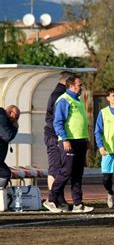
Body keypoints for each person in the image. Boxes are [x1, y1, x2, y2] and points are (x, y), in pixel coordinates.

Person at [44, 74, 94, 213]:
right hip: (69, 141)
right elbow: (58, 122)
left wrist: (86, 139)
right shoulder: (63, 100)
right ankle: (51, 199)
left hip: (80, 141)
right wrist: (64, 139)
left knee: (77, 173)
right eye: (79, 85)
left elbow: (80, 122)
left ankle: (78, 204)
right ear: (71, 86)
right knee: (66, 171)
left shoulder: (77, 100)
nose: (82, 87)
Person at [43, 71, 70, 211]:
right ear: (67, 82)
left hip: (55, 135)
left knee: (61, 168)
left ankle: (59, 199)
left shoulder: (59, 93)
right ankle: (52, 199)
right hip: (53, 135)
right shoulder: (59, 96)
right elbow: (57, 120)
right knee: (55, 167)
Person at [0, 105, 20, 188]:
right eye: (16, 117)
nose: (16, 120)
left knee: (6, 173)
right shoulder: (1, 117)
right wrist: (15, 128)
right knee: (5, 174)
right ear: (11, 112)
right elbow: (7, 135)